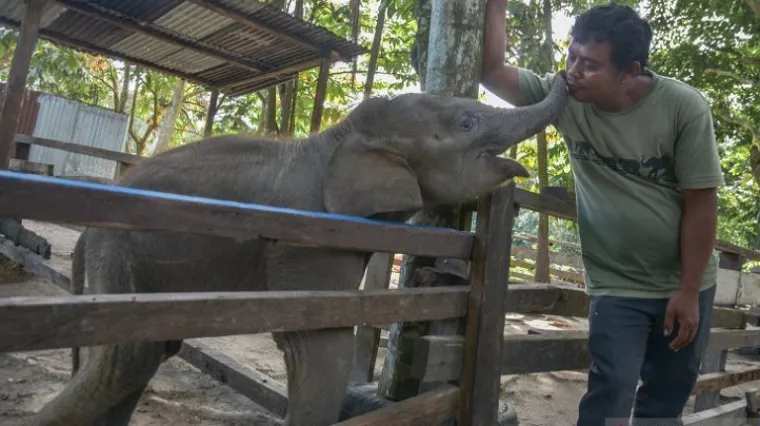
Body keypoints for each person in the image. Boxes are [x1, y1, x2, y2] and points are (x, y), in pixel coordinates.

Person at [481, 2, 725, 425]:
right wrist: (497, 6)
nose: (574, 70)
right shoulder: (565, 97)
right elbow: (491, 72)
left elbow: (702, 206)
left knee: (665, 399)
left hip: (683, 285)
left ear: (630, 71)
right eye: (572, 55)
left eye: (591, 64)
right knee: (611, 390)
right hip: (616, 284)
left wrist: (687, 290)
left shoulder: (683, 107)